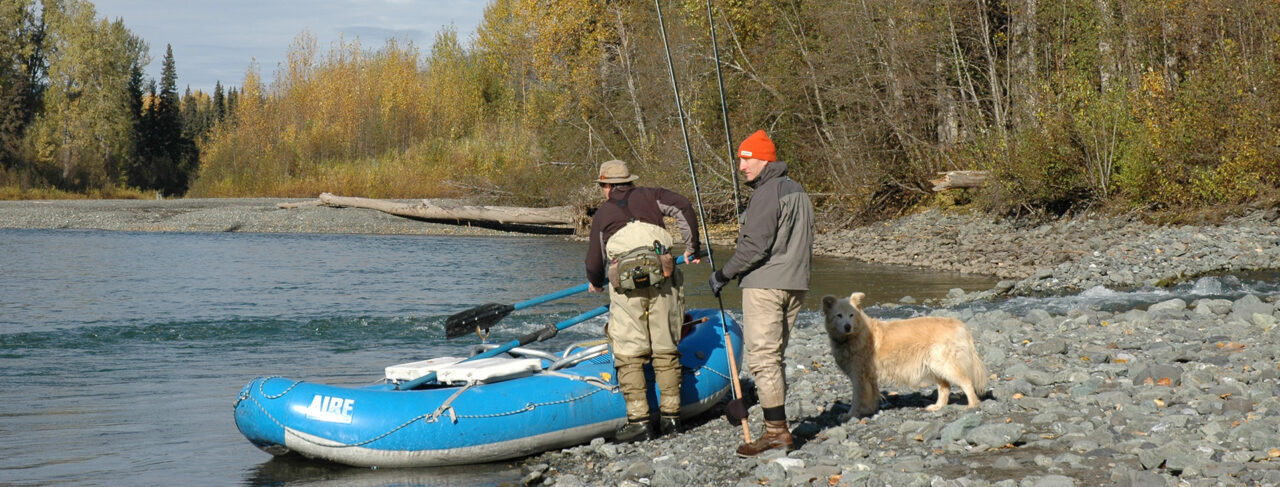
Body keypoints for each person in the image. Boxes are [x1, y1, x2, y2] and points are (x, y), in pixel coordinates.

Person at [706, 129, 813, 457]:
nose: (741, 167)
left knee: (763, 358)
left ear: (763, 159)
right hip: (796, 283)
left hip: (766, 285)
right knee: (774, 356)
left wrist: (724, 273)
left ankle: (775, 433)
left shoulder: (767, 193)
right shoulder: (798, 191)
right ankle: (776, 425)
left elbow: (755, 246)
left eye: (746, 159)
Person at [585, 159, 703, 442]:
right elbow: (684, 207)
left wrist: (596, 281)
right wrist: (691, 248)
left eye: (602, 186)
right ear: (630, 181)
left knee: (629, 353)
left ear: (608, 186)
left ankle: (639, 421)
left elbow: (594, 257)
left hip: (627, 290)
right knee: (665, 348)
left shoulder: (603, 214)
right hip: (664, 280)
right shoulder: (653, 195)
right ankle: (671, 418)